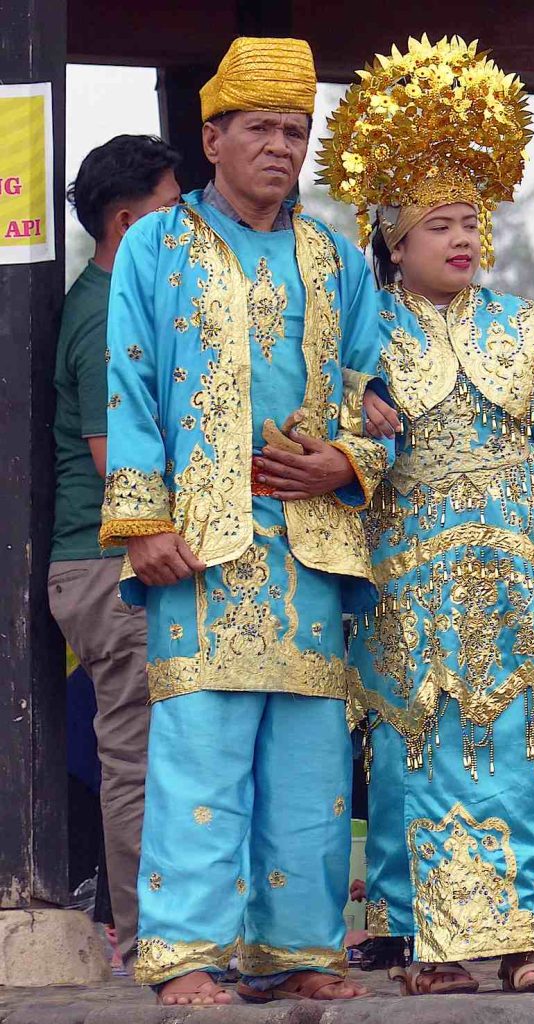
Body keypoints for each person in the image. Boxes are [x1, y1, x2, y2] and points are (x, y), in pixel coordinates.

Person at [99, 36, 391, 1006]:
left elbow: (373, 391)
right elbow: (131, 388)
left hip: (309, 548)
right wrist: (143, 520)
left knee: (309, 766)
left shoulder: (336, 259)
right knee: (200, 752)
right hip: (202, 549)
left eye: (295, 131)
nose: (281, 147)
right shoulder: (157, 245)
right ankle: (186, 954)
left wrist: (345, 456)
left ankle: (300, 949)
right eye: (260, 128)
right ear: (211, 136)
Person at [320, 35, 534, 995]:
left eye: (472, 222)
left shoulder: (530, 332)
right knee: (419, 747)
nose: (461, 238)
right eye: (438, 223)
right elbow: (342, 446)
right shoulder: (361, 337)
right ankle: (424, 947)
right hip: (410, 577)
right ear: (393, 240)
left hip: (525, 578)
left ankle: (530, 941)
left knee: (532, 743)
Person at [49, 134, 181, 971]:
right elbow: (116, 462)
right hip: (115, 562)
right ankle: (148, 944)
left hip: (117, 560)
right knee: (140, 758)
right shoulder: (104, 314)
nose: (186, 230)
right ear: (127, 224)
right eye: (172, 212)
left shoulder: (118, 303)